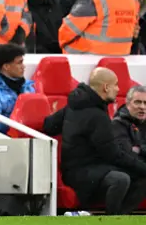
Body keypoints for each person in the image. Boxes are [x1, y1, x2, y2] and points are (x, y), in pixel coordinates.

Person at [43, 68, 146, 215]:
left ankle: (118, 217)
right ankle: (114, 218)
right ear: (106, 87)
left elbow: (48, 126)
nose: (118, 89)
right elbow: (113, 154)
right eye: (115, 85)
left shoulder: (74, 106)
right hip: (85, 173)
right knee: (122, 178)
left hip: (75, 171)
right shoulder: (98, 116)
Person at [0, 43, 34, 133]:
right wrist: (20, 117)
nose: (23, 66)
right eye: (19, 63)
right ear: (6, 66)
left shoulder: (28, 87)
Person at [112, 86, 146, 164]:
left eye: (145, 103)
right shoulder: (117, 124)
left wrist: (140, 150)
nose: (142, 107)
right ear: (128, 104)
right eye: (137, 102)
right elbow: (128, 156)